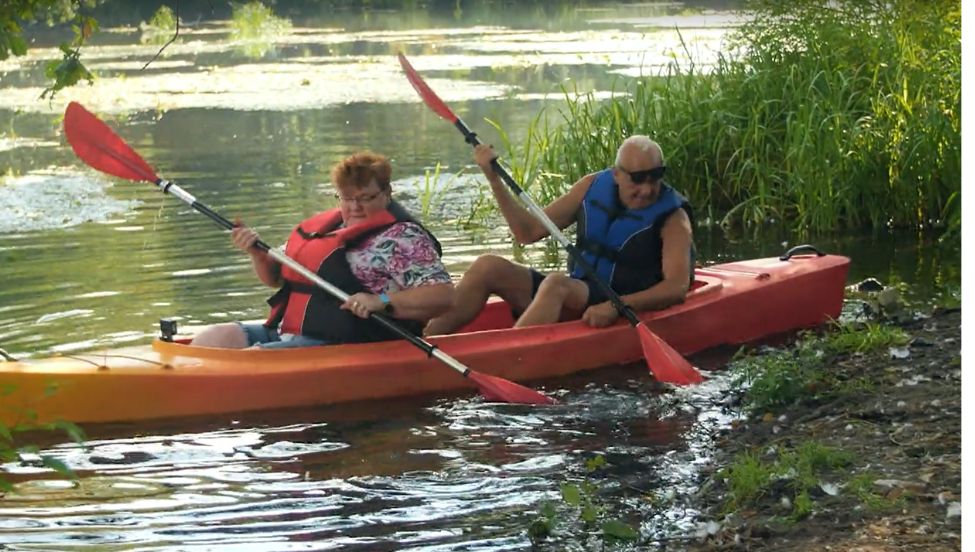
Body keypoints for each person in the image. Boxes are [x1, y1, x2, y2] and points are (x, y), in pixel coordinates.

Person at [424, 135, 694, 335]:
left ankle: (509, 354)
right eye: (637, 179)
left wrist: (617, 307)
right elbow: (527, 232)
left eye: (655, 177)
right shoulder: (591, 187)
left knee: (556, 284)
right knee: (488, 266)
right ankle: (427, 340)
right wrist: (494, 180)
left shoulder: (673, 218)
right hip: (582, 295)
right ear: (616, 175)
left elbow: (676, 287)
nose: (647, 189)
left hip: (619, 302)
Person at [192, 151, 454, 348]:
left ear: (387, 193)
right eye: (348, 198)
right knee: (213, 338)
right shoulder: (325, 228)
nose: (355, 208)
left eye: (366, 198)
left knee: (252, 360)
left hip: (349, 341)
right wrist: (257, 255)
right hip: (292, 331)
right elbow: (275, 279)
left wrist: (381, 301)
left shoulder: (404, 237)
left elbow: (442, 297)